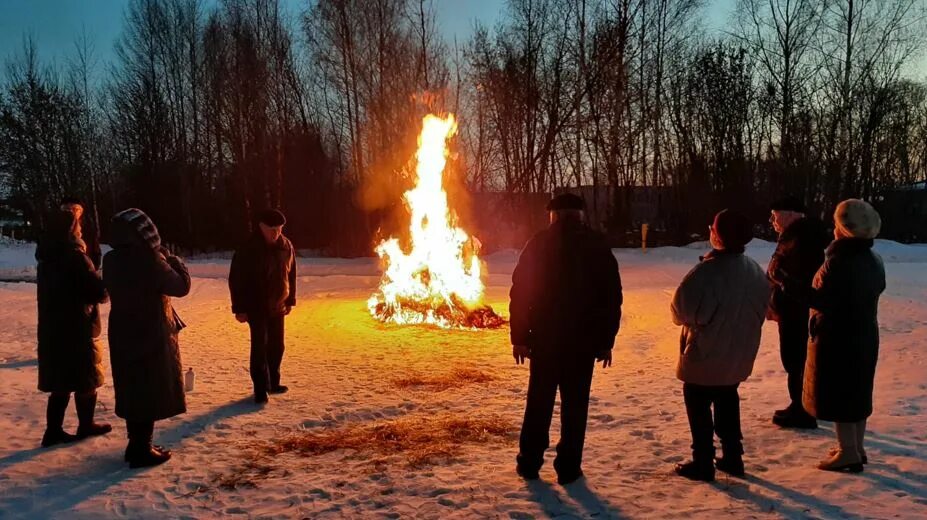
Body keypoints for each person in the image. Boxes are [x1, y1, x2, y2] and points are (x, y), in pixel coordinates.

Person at [509, 193, 622, 485]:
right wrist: (605, 341)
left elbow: (520, 293)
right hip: (582, 345)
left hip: (545, 341)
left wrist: (520, 337)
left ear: (554, 215)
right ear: (579, 215)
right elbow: (612, 298)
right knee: (575, 407)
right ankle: (569, 467)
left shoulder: (538, 245)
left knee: (539, 404)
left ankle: (530, 463)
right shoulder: (597, 246)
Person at [778, 199, 885, 473]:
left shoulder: (840, 261)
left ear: (845, 228)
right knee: (857, 392)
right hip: (863, 333)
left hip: (838, 337)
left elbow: (823, 299)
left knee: (841, 394)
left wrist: (786, 282)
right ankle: (856, 447)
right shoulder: (872, 259)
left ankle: (848, 452)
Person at [670, 210, 771, 482]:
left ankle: (702, 461)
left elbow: (681, 311)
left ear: (717, 234)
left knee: (698, 402)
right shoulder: (753, 270)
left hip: (705, 354)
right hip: (739, 354)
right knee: (727, 398)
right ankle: (733, 456)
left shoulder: (706, 272)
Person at [103, 208, 191, 468]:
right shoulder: (149, 259)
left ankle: (136, 444)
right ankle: (142, 449)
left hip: (122, 329)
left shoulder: (111, 259)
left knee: (133, 385)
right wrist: (174, 260)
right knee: (149, 386)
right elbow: (180, 286)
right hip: (150, 330)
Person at [36, 209, 111, 447]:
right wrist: (103, 284)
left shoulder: (47, 258)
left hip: (52, 328)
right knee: (86, 379)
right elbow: (97, 292)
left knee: (60, 381)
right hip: (78, 327)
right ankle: (85, 424)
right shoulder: (75, 256)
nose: (81, 229)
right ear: (70, 230)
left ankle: (54, 430)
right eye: (78, 225)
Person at [767, 196, 829, 429]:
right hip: (791, 308)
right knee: (794, 358)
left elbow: (797, 277)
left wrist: (781, 283)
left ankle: (803, 408)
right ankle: (799, 403)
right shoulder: (794, 236)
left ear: (791, 214)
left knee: (797, 358)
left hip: (798, 310)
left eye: (776, 214)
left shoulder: (802, 239)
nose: (772, 220)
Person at [229, 209, 297, 404]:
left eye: (279, 229)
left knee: (278, 346)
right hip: (255, 306)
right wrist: (239, 308)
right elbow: (236, 279)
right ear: (261, 227)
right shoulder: (248, 248)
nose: (276, 233)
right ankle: (260, 388)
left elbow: (291, 274)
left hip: (278, 305)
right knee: (260, 347)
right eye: (271, 229)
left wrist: (290, 299)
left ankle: (273, 382)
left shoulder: (286, 246)